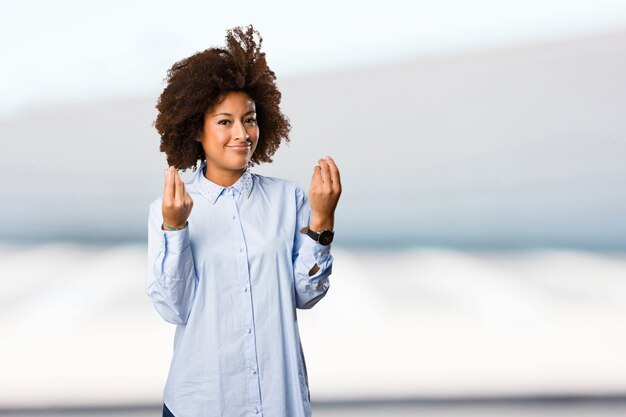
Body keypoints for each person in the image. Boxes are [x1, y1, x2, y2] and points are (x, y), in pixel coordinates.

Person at [146, 25, 341, 417]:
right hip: (200, 403)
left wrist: (322, 218)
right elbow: (173, 308)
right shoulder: (168, 208)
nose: (242, 134)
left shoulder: (289, 199)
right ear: (196, 129)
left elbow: (307, 295)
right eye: (224, 121)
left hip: (277, 400)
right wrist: (175, 228)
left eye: (249, 119)